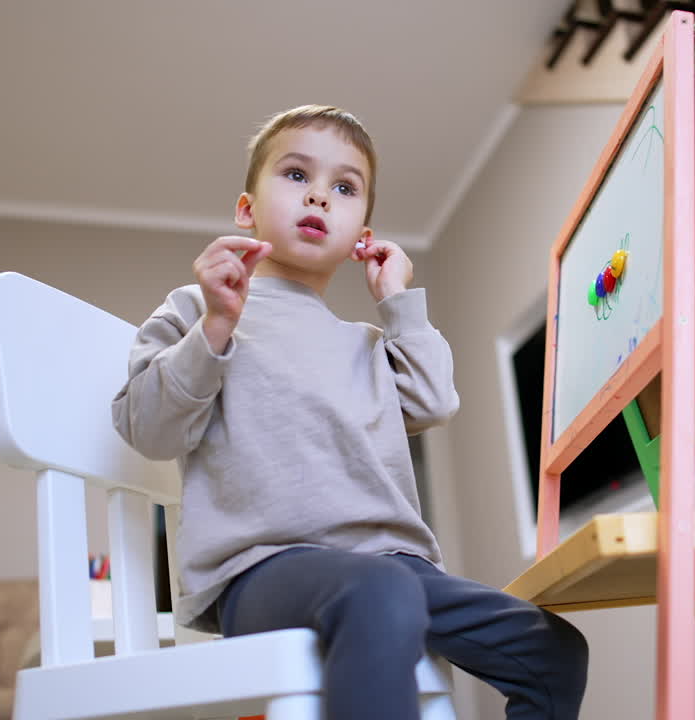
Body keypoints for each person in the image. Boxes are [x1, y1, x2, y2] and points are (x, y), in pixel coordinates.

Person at [111, 105, 587, 719]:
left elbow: (435, 400)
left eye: (344, 187)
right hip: (265, 570)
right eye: (295, 175)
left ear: (362, 233)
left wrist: (397, 303)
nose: (318, 195)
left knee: (554, 649)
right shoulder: (198, 312)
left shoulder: (367, 345)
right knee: (381, 590)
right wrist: (216, 326)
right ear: (246, 210)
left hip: (396, 569)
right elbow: (148, 429)